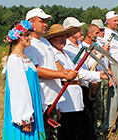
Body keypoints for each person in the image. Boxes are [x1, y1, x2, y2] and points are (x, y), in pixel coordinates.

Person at [44, 24, 110, 140]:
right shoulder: (52, 55)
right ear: (51, 39)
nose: (62, 39)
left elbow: (78, 72)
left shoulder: (66, 54)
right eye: (59, 37)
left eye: (64, 36)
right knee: (67, 133)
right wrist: (57, 106)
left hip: (76, 99)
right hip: (65, 100)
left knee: (79, 131)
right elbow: (57, 79)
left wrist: (98, 75)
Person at [24, 8, 77, 140]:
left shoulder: (45, 42)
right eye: (41, 21)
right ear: (30, 23)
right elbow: (37, 70)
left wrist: (66, 71)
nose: (45, 24)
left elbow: (56, 63)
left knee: (52, 135)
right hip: (40, 99)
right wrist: (62, 75)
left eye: (46, 21)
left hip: (52, 99)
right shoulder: (28, 44)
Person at [2, 20, 46, 140]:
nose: (30, 37)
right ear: (18, 37)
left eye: (30, 34)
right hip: (24, 113)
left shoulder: (26, 59)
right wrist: (25, 118)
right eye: (27, 35)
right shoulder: (15, 60)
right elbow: (19, 90)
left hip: (33, 107)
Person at [103, 11, 118, 132]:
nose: (117, 23)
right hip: (113, 66)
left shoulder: (115, 33)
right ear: (108, 21)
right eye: (115, 21)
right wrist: (109, 74)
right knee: (114, 97)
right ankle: (110, 125)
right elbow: (105, 54)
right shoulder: (106, 34)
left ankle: (117, 122)